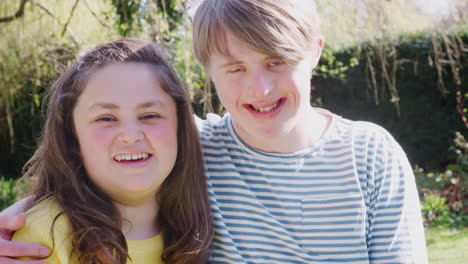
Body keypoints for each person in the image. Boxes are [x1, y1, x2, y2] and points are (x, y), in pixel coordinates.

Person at [0, 0, 428, 263]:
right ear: (207, 69)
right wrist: (16, 222)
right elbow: (106, 156)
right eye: (235, 68)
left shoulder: (371, 154)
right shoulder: (196, 145)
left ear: (314, 52)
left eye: (276, 62)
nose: (259, 89)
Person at [0, 38, 213, 263]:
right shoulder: (44, 238)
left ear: (181, 127)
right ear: (72, 136)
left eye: (150, 115)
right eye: (106, 118)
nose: (131, 135)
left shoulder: (198, 229)